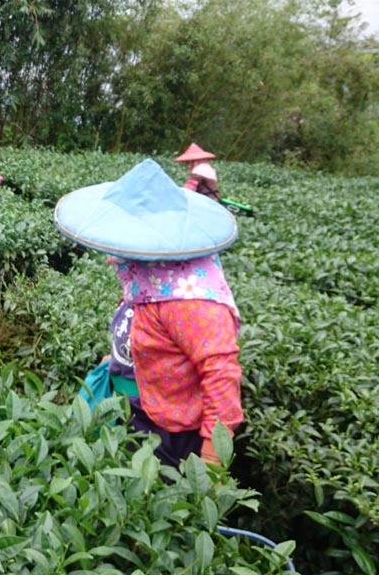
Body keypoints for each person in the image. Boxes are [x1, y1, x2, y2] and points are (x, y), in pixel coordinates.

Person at [55, 158, 242, 468]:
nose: (112, 258)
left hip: (171, 436)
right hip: (134, 412)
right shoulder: (151, 279)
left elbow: (221, 375)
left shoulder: (192, 302)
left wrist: (212, 459)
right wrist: (116, 360)